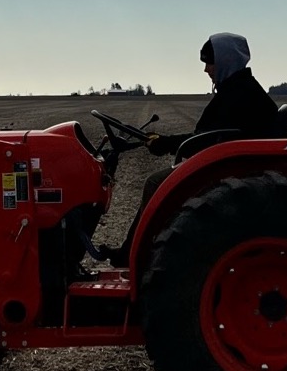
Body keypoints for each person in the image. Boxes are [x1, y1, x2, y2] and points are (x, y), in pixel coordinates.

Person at [106, 33, 278, 265]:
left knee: (155, 183)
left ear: (226, 60)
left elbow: (208, 138)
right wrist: (164, 141)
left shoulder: (238, 94)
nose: (206, 69)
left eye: (210, 62)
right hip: (230, 162)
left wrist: (165, 143)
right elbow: (210, 135)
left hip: (230, 169)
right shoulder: (238, 88)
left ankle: (133, 255)